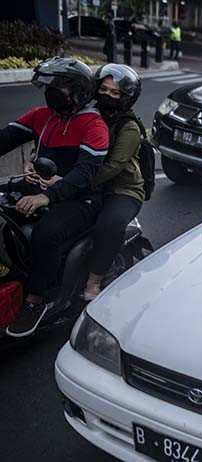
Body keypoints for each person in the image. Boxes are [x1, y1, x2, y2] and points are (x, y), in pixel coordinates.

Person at [0, 58, 108, 337]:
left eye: (59, 86)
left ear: (79, 92)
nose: (51, 92)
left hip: (81, 200)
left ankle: (37, 300)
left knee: (46, 234)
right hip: (41, 188)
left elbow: (83, 174)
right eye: (49, 86)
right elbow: (5, 138)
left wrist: (47, 197)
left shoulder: (94, 125)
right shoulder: (42, 116)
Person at [82, 64, 145, 301]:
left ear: (126, 98)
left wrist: (75, 183)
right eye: (104, 90)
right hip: (91, 183)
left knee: (109, 224)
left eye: (114, 93)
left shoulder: (128, 126)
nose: (107, 95)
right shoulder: (88, 114)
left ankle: (94, 282)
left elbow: (114, 166)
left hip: (123, 189)